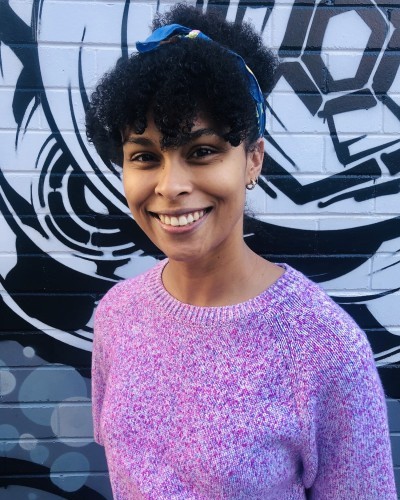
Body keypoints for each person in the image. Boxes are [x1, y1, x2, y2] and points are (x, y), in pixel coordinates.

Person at [85, 4, 396, 498]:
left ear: (253, 159)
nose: (171, 186)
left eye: (202, 151)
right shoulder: (117, 316)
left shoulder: (326, 347)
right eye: (144, 156)